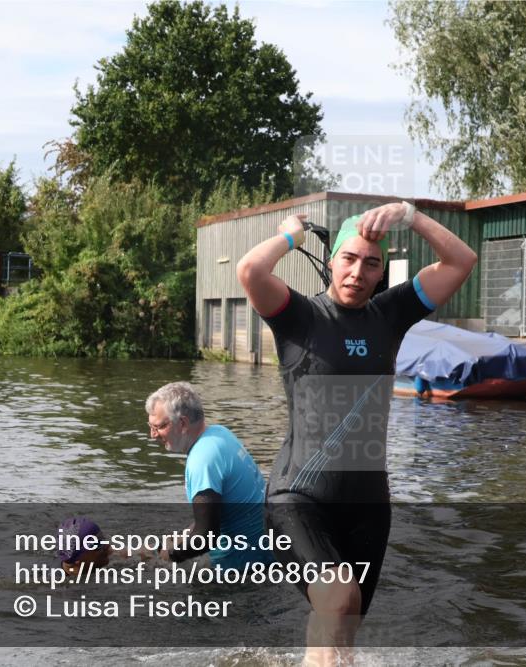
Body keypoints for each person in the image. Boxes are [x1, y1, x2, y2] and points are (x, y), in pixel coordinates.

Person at [236, 202, 476, 664]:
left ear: (381, 272)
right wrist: (291, 236)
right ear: (331, 262)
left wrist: (410, 215)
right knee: (339, 599)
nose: (358, 272)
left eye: (371, 263)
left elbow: (461, 261)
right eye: (349, 259)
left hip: (367, 504)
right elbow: (249, 270)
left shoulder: (390, 314)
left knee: (343, 628)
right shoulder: (298, 317)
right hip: (298, 496)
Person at [145, 382, 272, 570]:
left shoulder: (202, 460)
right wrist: (177, 539)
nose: (152, 435)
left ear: (182, 423)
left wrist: (171, 554)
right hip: (268, 552)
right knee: (153, 548)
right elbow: (218, 515)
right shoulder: (220, 434)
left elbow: (206, 537)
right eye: (150, 426)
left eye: (159, 427)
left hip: (239, 570)